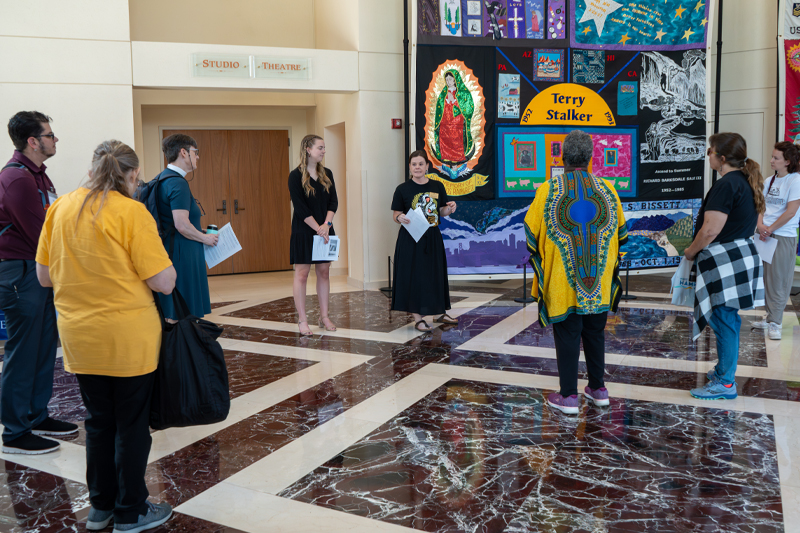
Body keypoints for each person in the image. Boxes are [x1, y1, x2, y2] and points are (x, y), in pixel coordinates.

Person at [36, 140, 176, 532]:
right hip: (129, 340)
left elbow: (44, 277)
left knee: (98, 424)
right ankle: (131, 511)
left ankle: (101, 509)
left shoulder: (60, 208)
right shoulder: (131, 213)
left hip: (80, 339)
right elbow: (163, 282)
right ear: (131, 176)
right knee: (131, 426)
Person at [523, 130, 627, 415]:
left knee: (568, 334)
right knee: (595, 332)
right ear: (591, 157)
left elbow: (531, 232)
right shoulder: (608, 188)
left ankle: (569, 396)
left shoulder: (548, 189)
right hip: (599, 280)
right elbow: (621, 232)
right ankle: (599, 389)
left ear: (562, 156)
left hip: (563, 280)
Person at [0, 111, 78, 454]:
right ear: (33, 141)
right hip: (20, 272)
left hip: (38, 271)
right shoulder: (16, 179)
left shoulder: (38, 176)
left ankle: (35, 414)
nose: (55, 139)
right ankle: (15, 432)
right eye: (49, 134)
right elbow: (40, 234)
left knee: (45, 346)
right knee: (23, 351)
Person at [685, 132, 765, 400]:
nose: (707, 155)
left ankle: (726, 383)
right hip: (738, 257)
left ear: (721, 158)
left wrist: (690, 252)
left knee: (725, 320)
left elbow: (710, 230)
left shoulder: (727, 185)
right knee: (727, 318)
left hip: (724, 260)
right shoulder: (743, 180)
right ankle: (723, 370)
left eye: (710, 151)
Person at [391, 150, 458, 332]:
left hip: (432, 237)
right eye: (414, 164)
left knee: (435, 275)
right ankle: (418, 318)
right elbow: (396, 214)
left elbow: (441, 211)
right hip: (411, 239)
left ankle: (439, 312)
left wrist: (449, 208)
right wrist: (400, 218)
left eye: (421, 164)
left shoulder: (437, 186)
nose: (417, 167)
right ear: (410, 167)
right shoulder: (402, 189)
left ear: (427, 166)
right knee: (414, 277)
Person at [154, 134, 217, 321]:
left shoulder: (162, 179)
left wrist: (199, 231)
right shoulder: (177, 183)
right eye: (195, 152)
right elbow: (181, 224)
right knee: (183, 312)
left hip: (172, 249)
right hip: (183, 255)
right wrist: (205, 238)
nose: (197, 157)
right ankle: (182, 349)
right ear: (183, 152)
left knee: (173, 310)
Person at [288, 134, 339, 336]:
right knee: (301, 274)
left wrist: (326, 224)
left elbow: (333, 202)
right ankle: (302, 320)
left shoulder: (327, 173)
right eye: (320, 147)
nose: (323, 151)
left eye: (324, 147)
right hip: (304, 230)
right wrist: (318, 228)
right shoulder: (295, 175)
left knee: (324, 272)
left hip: (325, 229)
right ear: (308, 149)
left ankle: (324, 316)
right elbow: (300, 208)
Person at [753, 141, 800, 340]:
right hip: (765, 234)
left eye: (776, 158)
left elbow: (791, 212)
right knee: (766, 278)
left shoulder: (795, 180)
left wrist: (770, 228)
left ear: (787, 162)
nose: (771, 160)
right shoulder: (770, 180)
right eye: (772, 157)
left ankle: (776, 323)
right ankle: (770, 316)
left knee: (779, 279)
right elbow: (760, 206)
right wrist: (760, 225)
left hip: (782, 235)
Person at [433, 70, 475, 164]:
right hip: (444, 122)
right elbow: (439, 108)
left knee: (456, 140)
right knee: (444, 138)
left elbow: (469, 108)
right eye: (446, 80)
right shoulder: (443, 93)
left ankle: (458, 157)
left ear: (456, 80)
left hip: (457, 122)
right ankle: (445, 156)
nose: (448, 82)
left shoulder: (464, 93)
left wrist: (455, 101)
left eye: (450, 79)